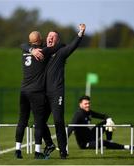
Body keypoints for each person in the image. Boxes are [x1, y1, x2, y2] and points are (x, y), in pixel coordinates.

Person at [21, 24, 86, 159]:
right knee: (39, 121)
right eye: (49, 36)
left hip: (56, 93)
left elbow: (72, 46)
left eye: (53, 37)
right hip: (43, 93)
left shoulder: (61, 52)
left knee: (58, 120)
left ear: (57, 40)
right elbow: (23, 45)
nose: (50, 38)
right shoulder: (42, 50)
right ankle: (50, 144)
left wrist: (80, 33)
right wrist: (32, 50)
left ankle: (63, 150)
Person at [15, 31, 63, 159]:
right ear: (40, 39)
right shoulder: (43, 52)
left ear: (30, 41)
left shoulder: (25, 51)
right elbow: (58, 47)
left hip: (23, 91)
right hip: (36, 92)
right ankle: (37, 152)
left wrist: (30, 49)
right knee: (39, 122)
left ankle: (18, 150)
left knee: (22, 120)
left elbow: (22, 45)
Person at [68, 95, 134, 150]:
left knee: (107, 122)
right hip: (84, 143)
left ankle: (110, 141)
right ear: (80, 104)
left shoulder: (88, 112)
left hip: (90, 135)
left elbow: (104, 116)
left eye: (89, 103)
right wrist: (62, 142)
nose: (88, 105)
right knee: (102, 142)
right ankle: (127, 147)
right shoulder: (78, 114)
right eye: (85, 104)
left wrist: (108, 119)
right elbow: (71, 127)